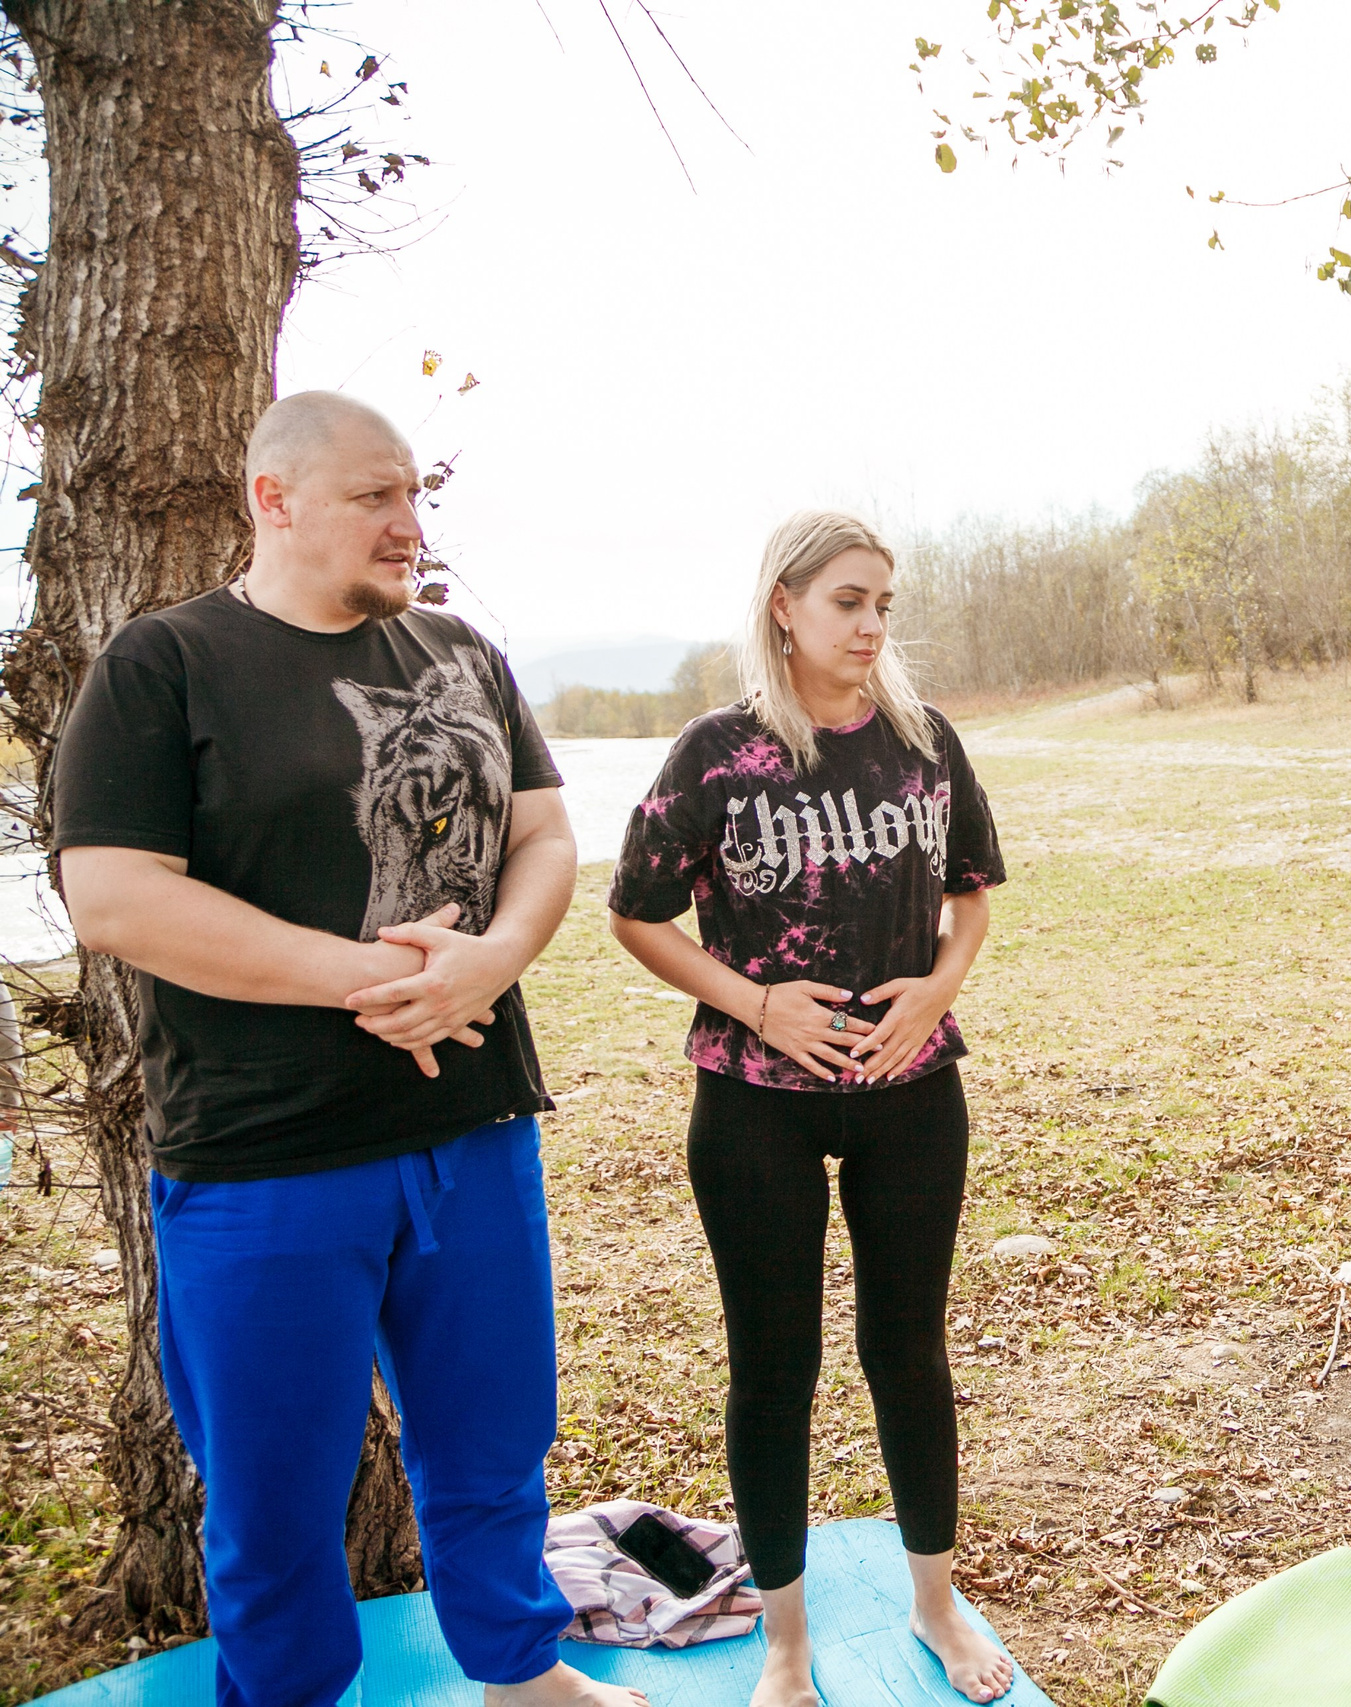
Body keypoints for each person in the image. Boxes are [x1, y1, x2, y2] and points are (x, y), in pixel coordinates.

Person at [52, 392, 637, 1707]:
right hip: (264, 1162)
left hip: (474, 1132)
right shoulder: (165, 664)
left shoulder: (461, 651)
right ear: (276, 498)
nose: (408, 522)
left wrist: (493, 958)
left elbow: (544, 835)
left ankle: (520, 1671)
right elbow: (116, 898)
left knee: (493, 1449)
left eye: (414, 493)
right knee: (273, 1500)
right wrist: (365, 977)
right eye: (376, 495)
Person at [606, 510, 1010, 1707]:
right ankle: (785, 1641)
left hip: (911, 1095)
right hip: (754, 1110)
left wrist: (934, 987)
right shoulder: (717, 753)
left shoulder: (924, 743)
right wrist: (756, 1004)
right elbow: (634, 913)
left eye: (883, 601)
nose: (872, 624)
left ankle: (934, 1606)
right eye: (847, 601)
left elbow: (973, 894)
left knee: (909, 1354)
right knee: (772, 1368)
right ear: (784, 606)